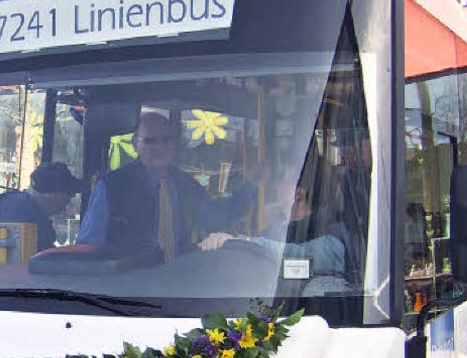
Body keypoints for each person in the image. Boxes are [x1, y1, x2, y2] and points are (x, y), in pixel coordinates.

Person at [76, 112, 211, 260]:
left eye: (166, 139)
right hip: (128, 281)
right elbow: (87, 248)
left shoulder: (190, 187)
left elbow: (211, 227)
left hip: (182, 279)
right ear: (135, 144)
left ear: (174, 144)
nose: (159, 147)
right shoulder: (111, 187)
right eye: (150, 141)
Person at [198, 178, 347, 277]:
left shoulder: (331, 231)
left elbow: (299, 254)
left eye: (283, 181)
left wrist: (242, 242)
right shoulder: (279, 227)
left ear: (299, 193)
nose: (276, 186)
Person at [0, 162, 80, 263]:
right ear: (53, 196)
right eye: (69, 195)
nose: (68, 202)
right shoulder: (17, 215)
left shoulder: (14, 204)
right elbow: (12, 266)